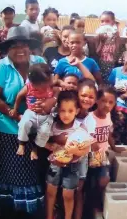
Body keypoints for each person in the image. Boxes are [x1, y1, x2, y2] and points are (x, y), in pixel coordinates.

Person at [0, 26, 55, 217]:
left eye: (23, 45)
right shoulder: (2, 66)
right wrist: (15, 115)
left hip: (38, 127)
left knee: (33, 172)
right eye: (14, 46)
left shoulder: (40, 62)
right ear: (7, 48)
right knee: (11, 173)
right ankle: (10, 211)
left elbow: (53, 88)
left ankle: (29, 210)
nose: (20, 50)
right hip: (8, 130)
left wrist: (51, 101)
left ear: (29, 46)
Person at [52, 79, 98, 219]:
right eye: (83, 95)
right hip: (63, 158)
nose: (86, 99)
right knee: (64, 190)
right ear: (77, 94)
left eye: (91, 97)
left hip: (81, 160)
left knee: (78, 191)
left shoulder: (89, 120)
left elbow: (88, 142)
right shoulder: (67, 111)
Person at [45, 90, 87, 219]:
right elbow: (43, 142)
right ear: (58, 110)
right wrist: (53, 144)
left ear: (77, 111)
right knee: (50, 192)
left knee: (68, 195)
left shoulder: (79, 127)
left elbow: (85, 149)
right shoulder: (53, 126)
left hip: (72, 166)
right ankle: (49, 216)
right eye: (63, 110)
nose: (66, 115)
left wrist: (73, 151)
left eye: (70, 111)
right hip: (55, 165)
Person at [87, 85, 123, 214]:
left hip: (102, 154)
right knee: (92, 181)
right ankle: (92, 206)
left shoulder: (107, 116)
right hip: (90, 155)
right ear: (96, 100)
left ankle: (96, 203)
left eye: (110, 102)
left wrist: (114, 147)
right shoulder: (90, 117)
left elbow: (108, 133)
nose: (106, 105)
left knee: (102, 181)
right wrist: (92, 142)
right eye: (103, 100)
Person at [10, 63, 54, 160]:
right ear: (33, 83)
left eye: (45, 84)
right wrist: (15, 109)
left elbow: (58, 84)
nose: (43, 88)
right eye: (40, 86)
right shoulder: (29, 87)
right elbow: (19, 96)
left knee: (44, 132)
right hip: (31, 112)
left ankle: (35, 149)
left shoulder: (51, 84)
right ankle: (21, 143)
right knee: (24, 123)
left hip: (46, 115)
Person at [95, 11, 122, 83]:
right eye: (102, 21)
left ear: (113, 22)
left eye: (107, 21)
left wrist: (116, 37)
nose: (104, 23)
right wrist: (102, 42)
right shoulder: (98, 36)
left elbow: (117, 52)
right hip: (101, 65)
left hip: (112, 65)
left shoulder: (115, 36)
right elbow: (97, 53)